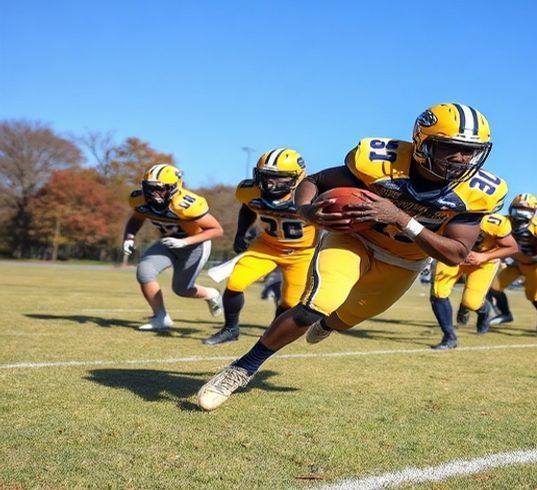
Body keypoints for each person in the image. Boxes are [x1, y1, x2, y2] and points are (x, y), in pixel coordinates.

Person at [197, 103, 507, 411]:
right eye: (449, 148)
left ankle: (332, 324)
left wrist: (401, 217)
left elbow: (455, 253)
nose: (461, 158)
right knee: (314, 307)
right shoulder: (381, 162)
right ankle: (242, 368)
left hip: (405, 262)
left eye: (470, 151)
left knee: (344, 319)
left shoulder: (476, 191)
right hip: (354, 238)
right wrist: (307, 211)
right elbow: (314, 182)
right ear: (423, 142)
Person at [203, 149, 317, 345]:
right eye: (266, 176)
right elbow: (247, 208)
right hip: (267, 246)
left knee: (290, 302)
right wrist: (241, 233)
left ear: (297, 178)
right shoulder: (250, 190)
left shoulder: (313, 194)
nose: (270, 183)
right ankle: (230, 329)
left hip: (302, 253)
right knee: (236, 282)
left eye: (279, 178)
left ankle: (273, 334)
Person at [122, 164, 224, 330]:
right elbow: (136, 219)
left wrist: (185, 242)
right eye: (149, 188)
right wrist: (129, 237)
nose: (152, 193)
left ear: (174, 188)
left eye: (158, 189)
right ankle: (161, 318)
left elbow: (216, 230)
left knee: (182, 289)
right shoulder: (140, 200)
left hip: (195, 244)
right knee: (144, 271)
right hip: (169, 242)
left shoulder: (186, 205)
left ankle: (211, 294)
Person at [431, 212, 518, 349]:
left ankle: (484, 311)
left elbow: (512, 247)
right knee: (438, 292)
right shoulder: (449, 211)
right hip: (454, 256)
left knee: (471, 302)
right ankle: (449, 336)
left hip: (482, 263)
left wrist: (484, 257)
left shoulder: (495, 222)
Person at [488, 194, 537, 331]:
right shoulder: (504, 223)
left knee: (532, 295)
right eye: (517, 210)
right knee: (495, 288)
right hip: (516, 262)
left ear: (534, 212)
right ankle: (506, 314)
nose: (519, 214)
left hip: (535, 265)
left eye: (524, 211)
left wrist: (532, 259)